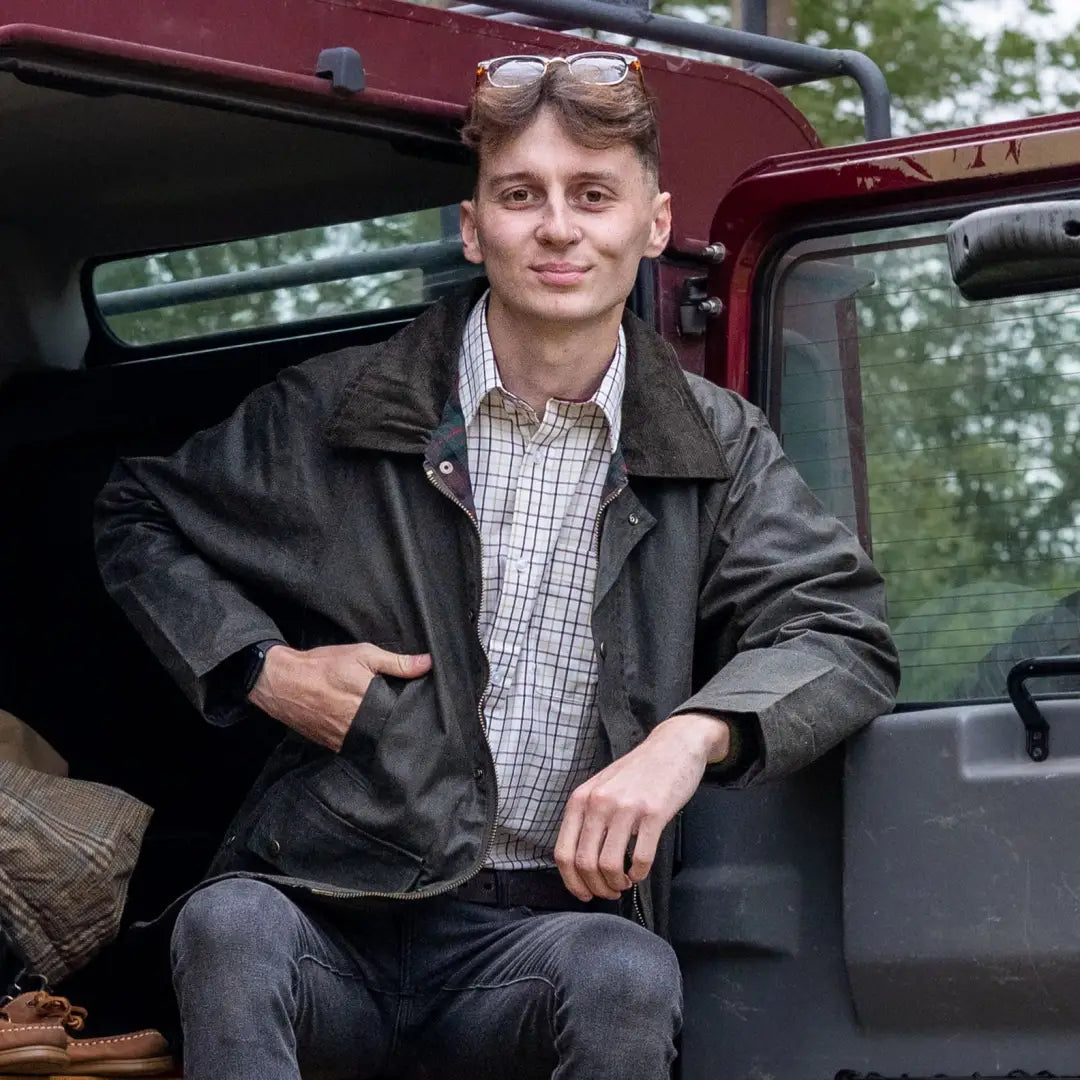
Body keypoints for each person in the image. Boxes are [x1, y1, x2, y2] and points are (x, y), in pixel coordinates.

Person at [94, 51, 899, 1080]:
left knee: (626, 973)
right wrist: (261, 667)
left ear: (651, 225)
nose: (558, 227)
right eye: (522, 195)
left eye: (593, 195)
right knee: (229, 925)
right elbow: (134, 513)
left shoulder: (719, 445)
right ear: (476, 227)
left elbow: (843, 630)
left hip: (543, 934)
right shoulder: (338, 410)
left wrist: (689, 740)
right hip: (330, 906)